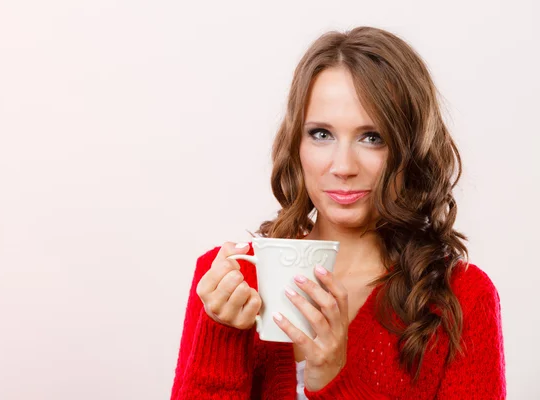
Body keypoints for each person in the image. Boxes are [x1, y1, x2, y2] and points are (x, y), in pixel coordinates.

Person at [170, 26, 506, 399]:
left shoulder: (461, 299)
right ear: (295, 142)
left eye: (372, 137)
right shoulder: (226, 279)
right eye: (321, 134)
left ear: (410, 150)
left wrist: (332, 380)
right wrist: (223, 336)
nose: (343, 166)